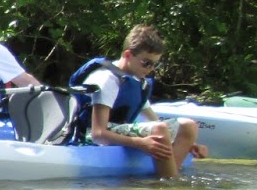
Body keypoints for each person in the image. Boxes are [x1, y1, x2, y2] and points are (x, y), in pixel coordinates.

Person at [71, 24, 206, 179]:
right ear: (128, 55)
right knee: (159, 130)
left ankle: (167, 178)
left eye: (156, 64)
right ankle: (170, 187)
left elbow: (153, 120)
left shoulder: (137, 81)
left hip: (118, 131)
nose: (151, 69)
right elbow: (98, 133)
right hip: (89, 135)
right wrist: (139, 143)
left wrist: (186, 142)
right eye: (147, 63)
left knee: (188, 126)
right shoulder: (107, 79)